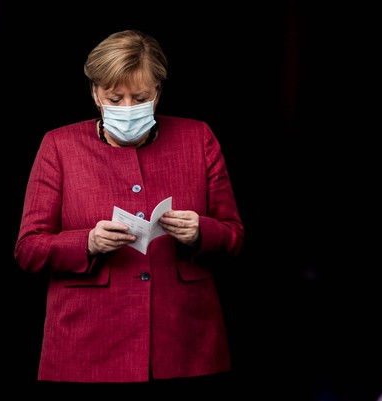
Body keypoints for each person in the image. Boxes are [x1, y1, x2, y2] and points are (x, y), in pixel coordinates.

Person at [13, 29, 244, 393]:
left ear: (158, 93)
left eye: (139, 98)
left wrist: (202, 231)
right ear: (94, 93)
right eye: (114, 98)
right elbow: (28, 249)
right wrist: (86, 242)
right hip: (88, 345)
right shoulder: (59, 145)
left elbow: (234, 235)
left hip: (185, 343)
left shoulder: (198, 137)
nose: (126, 109)